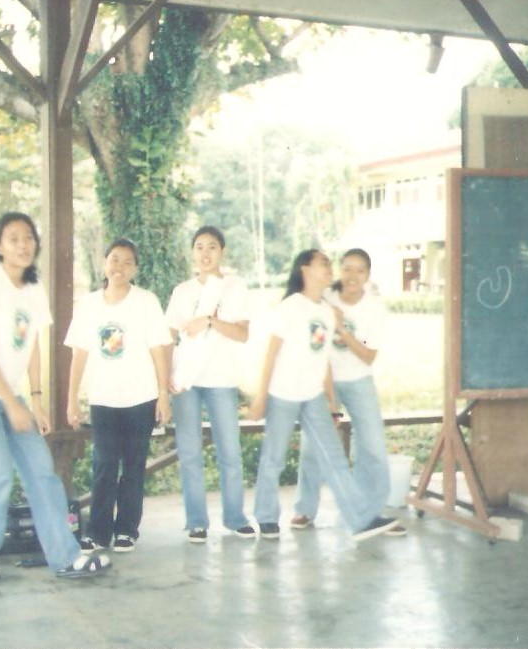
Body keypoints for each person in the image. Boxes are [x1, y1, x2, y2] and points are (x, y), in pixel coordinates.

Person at [0, 211, 110, 582]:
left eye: (28, 237)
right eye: (14, 238)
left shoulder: (34, 289)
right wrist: (9, 402)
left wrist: (34, 401)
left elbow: (34, 344)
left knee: (42, 472)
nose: (23, 244)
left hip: (11, 397)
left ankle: (66, 558)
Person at [248, 249, 398, 541]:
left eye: (330, 264)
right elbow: (271, 353)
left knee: (334, 458)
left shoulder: (328, 312)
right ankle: (266, 517)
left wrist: (330, 400)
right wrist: (261, 396)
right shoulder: (291, 307)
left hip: (313, 395)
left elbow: (324, 360)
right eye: (325, 264)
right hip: (283, 394)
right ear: (305, 269)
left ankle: (360, 519)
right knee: (273, 458)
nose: (331, 269)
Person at [65, 238, 173, 554]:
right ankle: (97, 532)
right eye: (114, 259)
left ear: (135, 269)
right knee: (104, 465)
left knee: (134, 466)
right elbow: (79, 354)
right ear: (104, 263)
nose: (119, 267)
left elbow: (159, 350)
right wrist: (72, 399)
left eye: (127, 262)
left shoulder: (146, 301)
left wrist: (163, 395)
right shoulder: (89, 305)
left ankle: (127, 529)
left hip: (141, 397)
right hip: (103, 399)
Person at [291, 248, 405, 535]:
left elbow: (367, 355)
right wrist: (328, 397)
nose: (352, 276)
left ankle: (371, 511)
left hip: (358, 380)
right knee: (311, 446)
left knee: (373, 446)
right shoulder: (325, 298)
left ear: (368, 276)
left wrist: (341, 329)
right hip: (322, 378)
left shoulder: (375, 309)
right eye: (347, 268)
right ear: (339, 270)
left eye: (360, 271)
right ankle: (305, 508)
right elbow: (315, 344)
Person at [165, 226, 255, 542]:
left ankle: (234, 517)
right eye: (200, 246)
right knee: (189, 452)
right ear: (193, 252)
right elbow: (169, 337)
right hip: (186, 380)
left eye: (212, 247)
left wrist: (210, 321)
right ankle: (196, 521)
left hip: (222, 379)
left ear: (222, 251)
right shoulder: (182, 291)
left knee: (229, 451)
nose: (205, 253)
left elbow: (243, 334)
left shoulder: (234, 287)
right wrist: (166, 379)